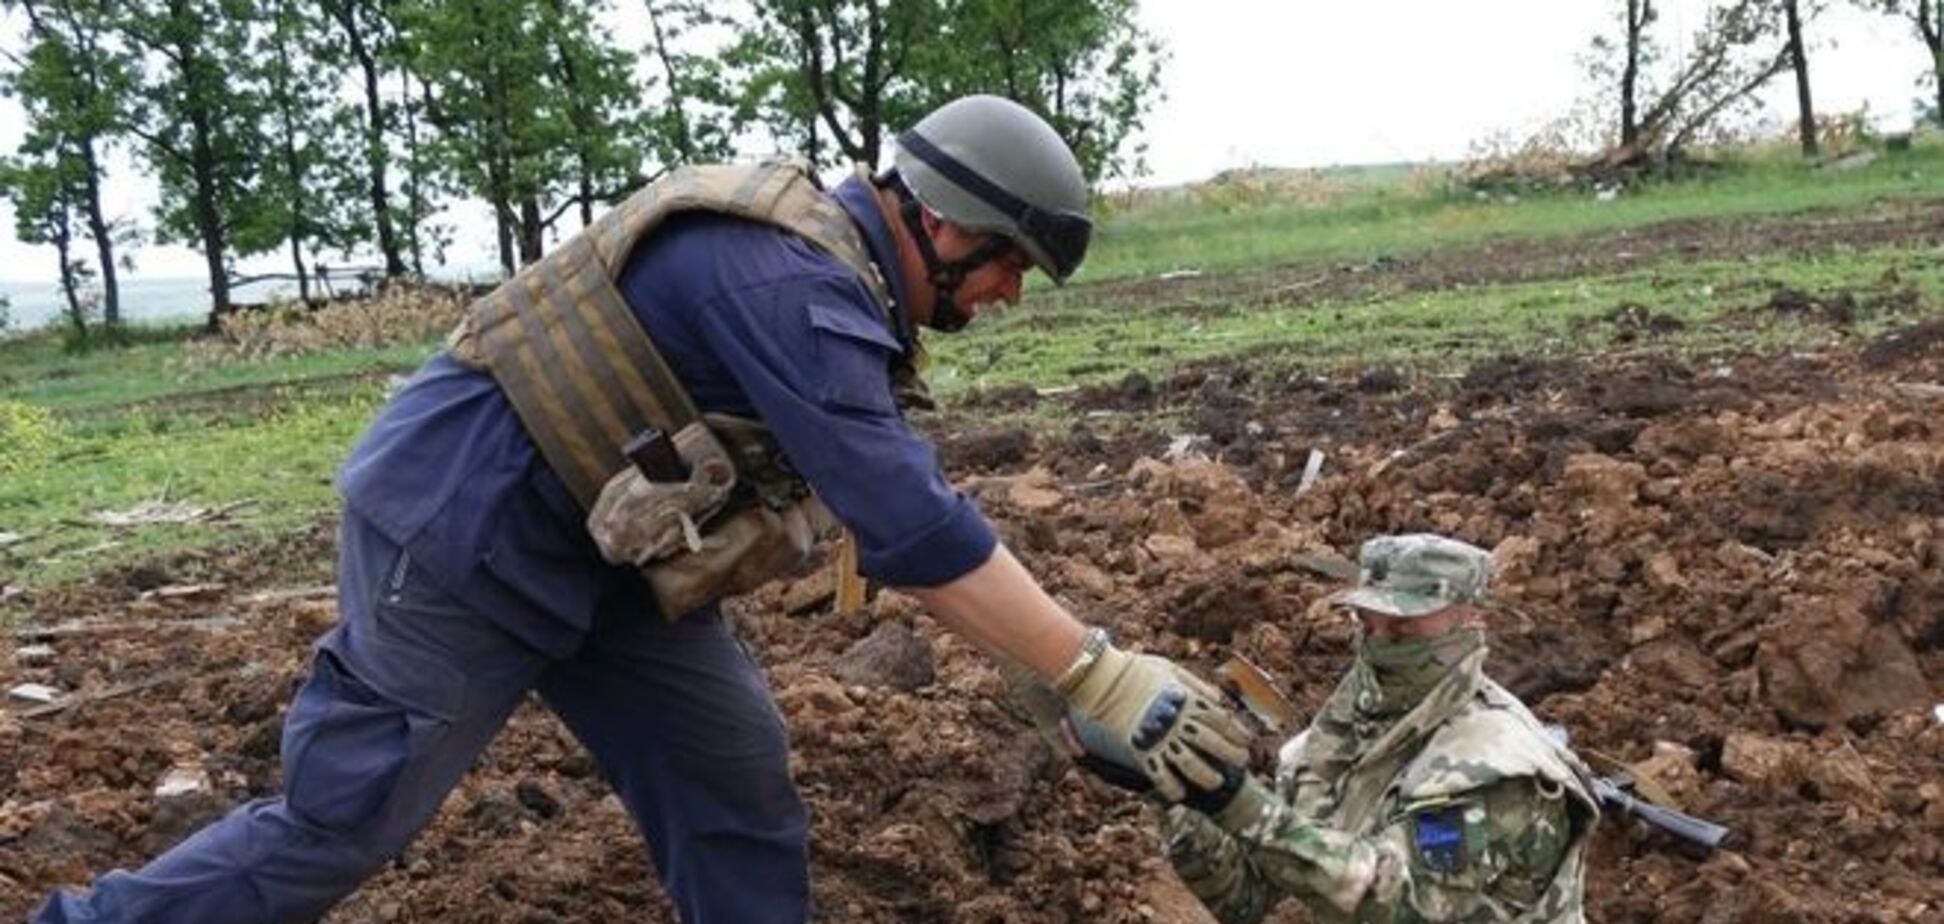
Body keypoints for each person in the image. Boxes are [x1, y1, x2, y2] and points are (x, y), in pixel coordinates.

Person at [34, 95, 1250, 924]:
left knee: (733, 781)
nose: (1001, 300)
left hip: (610, 565)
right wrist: (1099, 675)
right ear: (943, 220)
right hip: (461, 537)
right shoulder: (793, 282)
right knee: (343, 822)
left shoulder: (830, 279)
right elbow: (917, 534)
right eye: (1005, 270)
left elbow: (901, 503)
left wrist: (1056, 668)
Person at [1074, 534, 1600, 923]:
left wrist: (1237, 802)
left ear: (1470, 620)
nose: (1382, 642)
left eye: (1405, 626)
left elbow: (1401, 907)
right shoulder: (1341, 736)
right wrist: (1176, 798)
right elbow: (1252, 896)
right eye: (1370, 623)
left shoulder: (1496, 766)